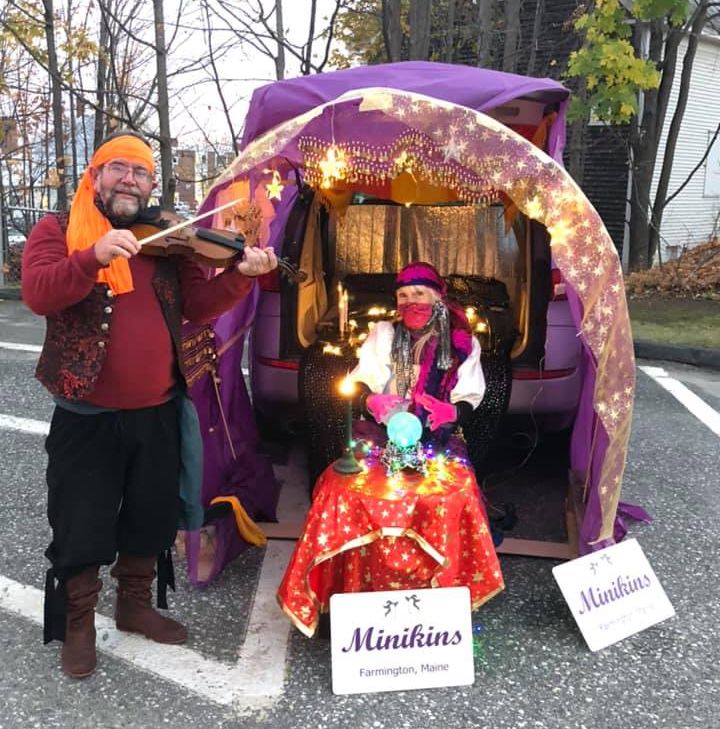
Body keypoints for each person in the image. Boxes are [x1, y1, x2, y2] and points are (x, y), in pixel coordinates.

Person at [21, 130, 278, 679]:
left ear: (151, 185)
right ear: (95, 176)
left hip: (158, 408)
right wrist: (91, 258)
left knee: (152, 513)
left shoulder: (166, 239)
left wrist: (240, 277)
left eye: (141, 173)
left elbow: (200, 305)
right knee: (80, 522)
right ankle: (78, 623)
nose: (130, 180)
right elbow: (39, 293)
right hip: (86, 414)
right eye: (119, 168)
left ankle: (134, 604)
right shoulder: (58, 230)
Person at [351, 262, 485, 449]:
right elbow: (359, 381)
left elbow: (469, 395)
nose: (410, 302)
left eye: (419, 293)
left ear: (436, 297)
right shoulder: (384, 334)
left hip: (438, 439)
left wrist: (451, 412)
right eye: (403, 295)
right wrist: (370, 400)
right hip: (381, 434)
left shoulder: (460, 343)